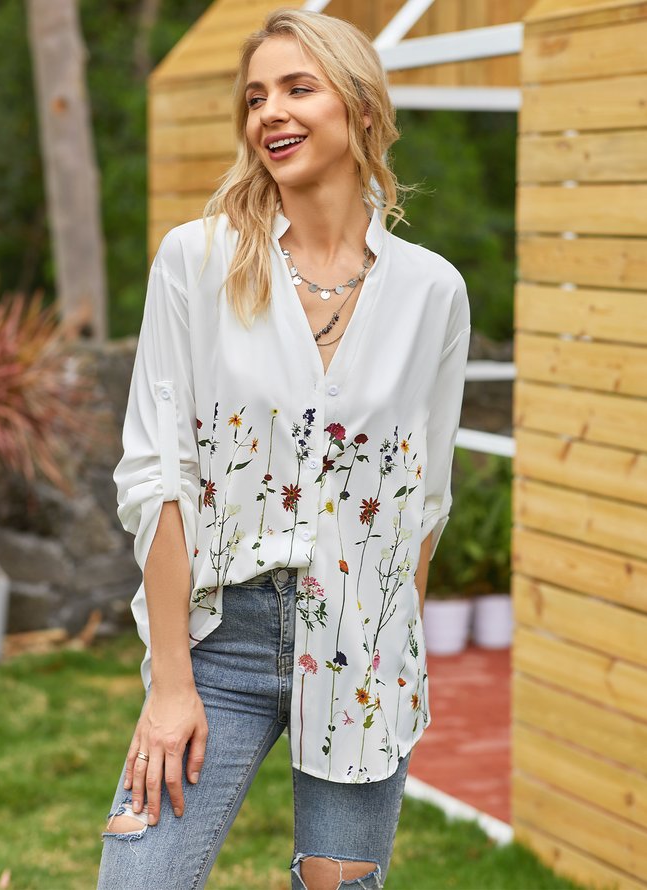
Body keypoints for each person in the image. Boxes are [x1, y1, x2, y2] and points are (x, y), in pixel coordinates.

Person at [96, 8, 471, 890]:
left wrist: (394, 656)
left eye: (298, 88)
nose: (270, 111)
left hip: (360, 645)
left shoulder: (432, 293)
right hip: (220, 641)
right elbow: (157, 476)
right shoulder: (196, 261)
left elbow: (423, 500)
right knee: (138, 879)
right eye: (256, 96)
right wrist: (170, 683)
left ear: (361, 108)